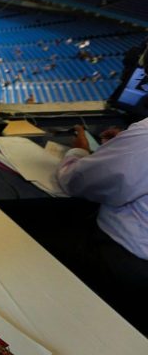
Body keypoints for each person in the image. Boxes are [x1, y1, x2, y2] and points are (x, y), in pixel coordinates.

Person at [55, 119, 148, 334]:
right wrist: (122, 147)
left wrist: (78, 152)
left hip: (124, 263)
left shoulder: (144, 136)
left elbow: (77, 180)